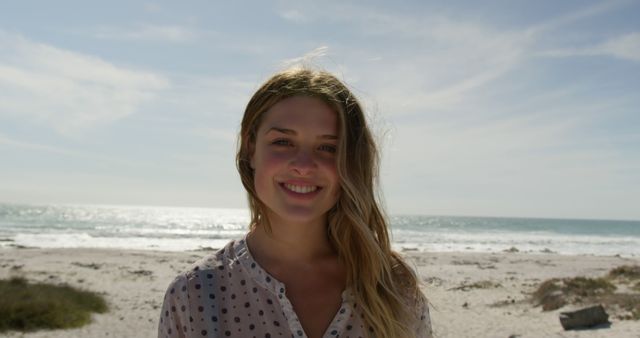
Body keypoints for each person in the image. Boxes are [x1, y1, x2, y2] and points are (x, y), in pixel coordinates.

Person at [158, 67, 432, 338]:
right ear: (251, 149)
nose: (303, 166)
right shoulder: (195, 296)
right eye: (283, 142)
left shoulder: (393, 287)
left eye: (328, 148)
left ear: (350, 161)